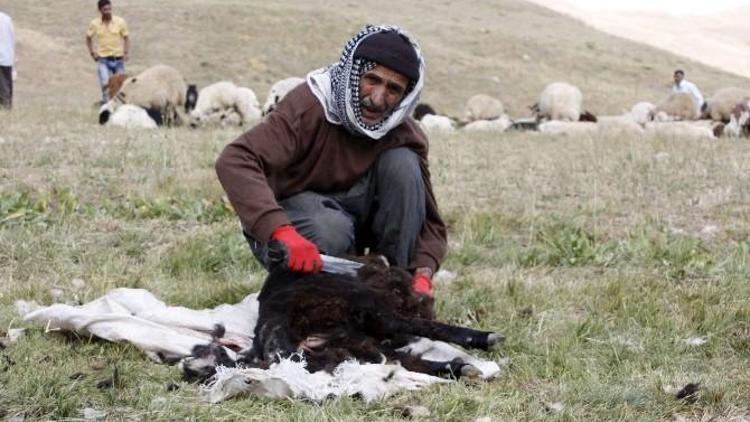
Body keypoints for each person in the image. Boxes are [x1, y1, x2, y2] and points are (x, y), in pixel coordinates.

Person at [216, 25, 446, 300]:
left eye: (393, 89)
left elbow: (428, 220)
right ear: (353, 72)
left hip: (355, 222)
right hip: (295, 225)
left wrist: (423, 272)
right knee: (329, 227)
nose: (378, 98)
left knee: (403, 164)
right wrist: (281, 231)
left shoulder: (404, 132)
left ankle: (396, 288)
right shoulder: (309, 106)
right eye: (372, 79)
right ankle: (323, 298)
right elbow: (235, 159)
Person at [85, 0, 129, 104]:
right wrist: (92, 53)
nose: (108, 11)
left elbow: (126, 37)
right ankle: (106, 107)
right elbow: (88, 38)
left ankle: (121, 106)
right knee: (105, 84)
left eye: (109, 8)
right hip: (103, 60)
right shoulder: (94, 24)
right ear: (100, 10)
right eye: (105, 10)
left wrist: (126, 53)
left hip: (118, 59)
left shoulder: (120, 22)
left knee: (122, 85)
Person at [0, 11, 15, 110]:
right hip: (7, 57)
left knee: (3, 88)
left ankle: (5, 109)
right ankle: (7, 108)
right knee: (6, 86)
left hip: (4, 57)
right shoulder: (6, 18)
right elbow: (12, 38)